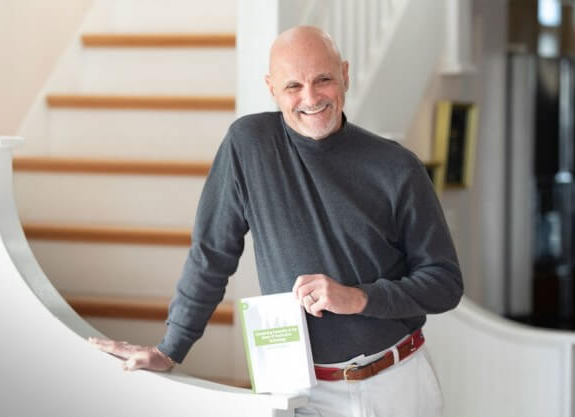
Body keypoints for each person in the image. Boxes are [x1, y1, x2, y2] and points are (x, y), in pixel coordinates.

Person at [90, 26, 463, 416]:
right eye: (293, 87)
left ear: (345, 75)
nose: (311, 98)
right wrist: (171, 348)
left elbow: (445, 284)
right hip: (300, 392)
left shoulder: (397, 166)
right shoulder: (248, 145)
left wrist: (358, 298)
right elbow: (211, 254)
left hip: (397, 383)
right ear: (271, 88)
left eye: (323, 80)